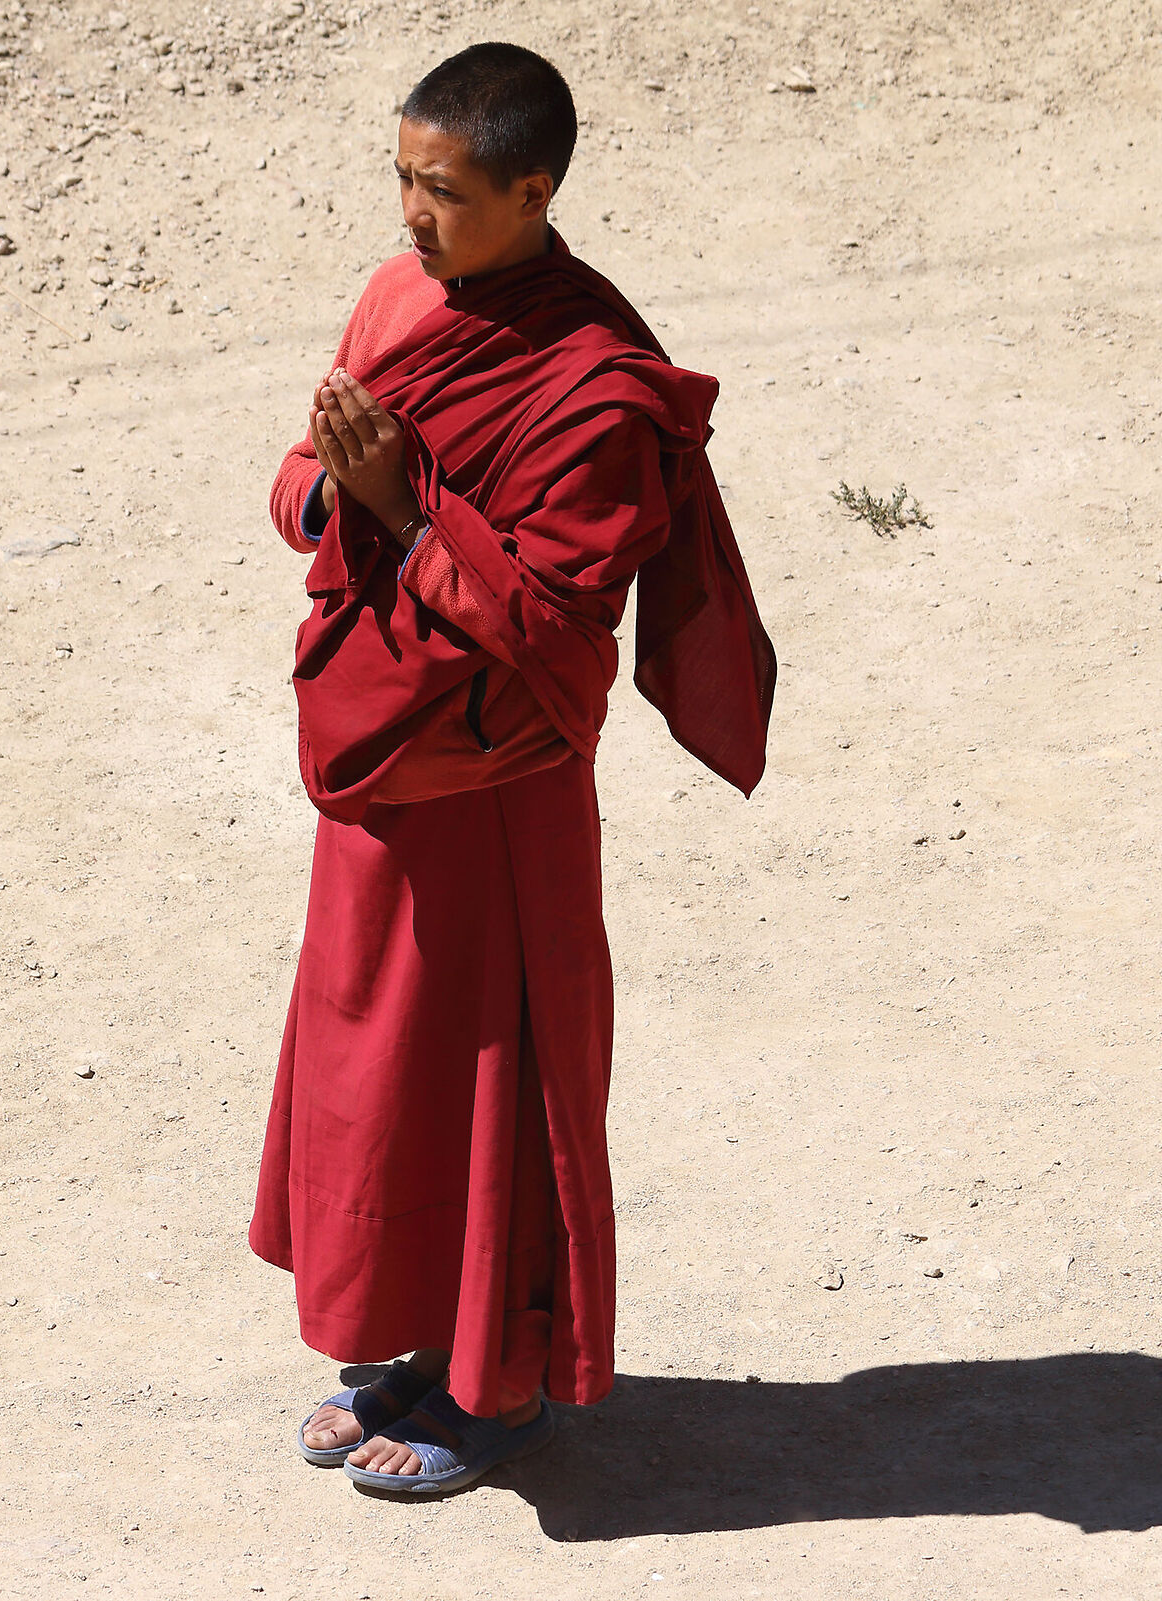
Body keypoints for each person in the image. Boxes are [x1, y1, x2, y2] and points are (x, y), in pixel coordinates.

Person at [249, 41, 777, 1497]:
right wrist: (336, 489)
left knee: (496, 1087)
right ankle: (420, 1348)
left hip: (497, 790)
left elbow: (553, 625)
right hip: (384, 771)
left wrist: (407, 508)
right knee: (384, 1075)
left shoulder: (594, 386)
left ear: (531, 191)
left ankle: (506, 1386)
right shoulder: (399, 297)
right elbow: (302, 481)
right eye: (403, 179)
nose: (410, 215)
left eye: (443, 190)